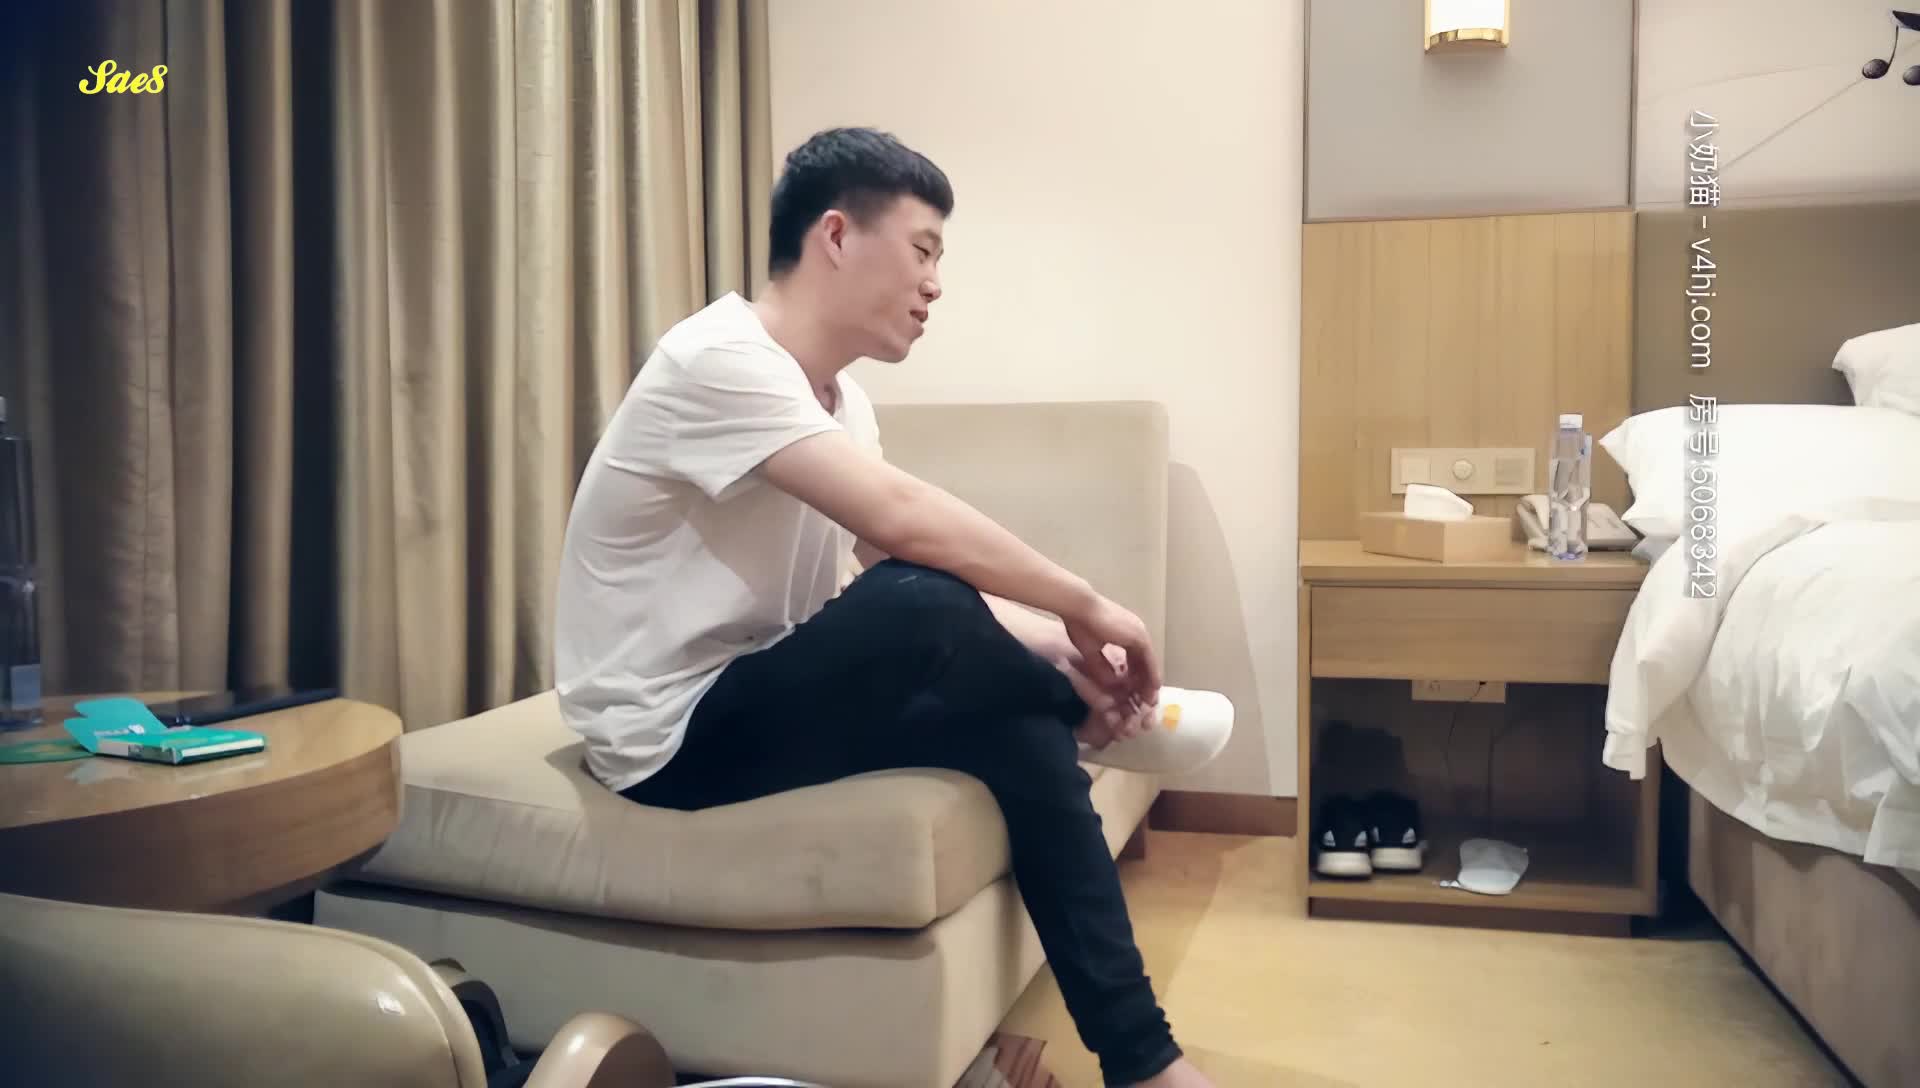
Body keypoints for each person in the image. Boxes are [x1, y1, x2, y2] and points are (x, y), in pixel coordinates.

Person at [552, 126, 1217, 1088]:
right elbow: (902, 532)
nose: (935, 284)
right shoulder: (716, 357)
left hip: (756, 688)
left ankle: (1144, 1061)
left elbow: (895, 561)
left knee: (1010, 724)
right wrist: (1083, 607)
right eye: (923, 250)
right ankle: (1082, 717)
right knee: (918, 601)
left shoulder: (843, 404)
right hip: (667, 734)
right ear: (836, 235)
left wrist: (1071, 652)